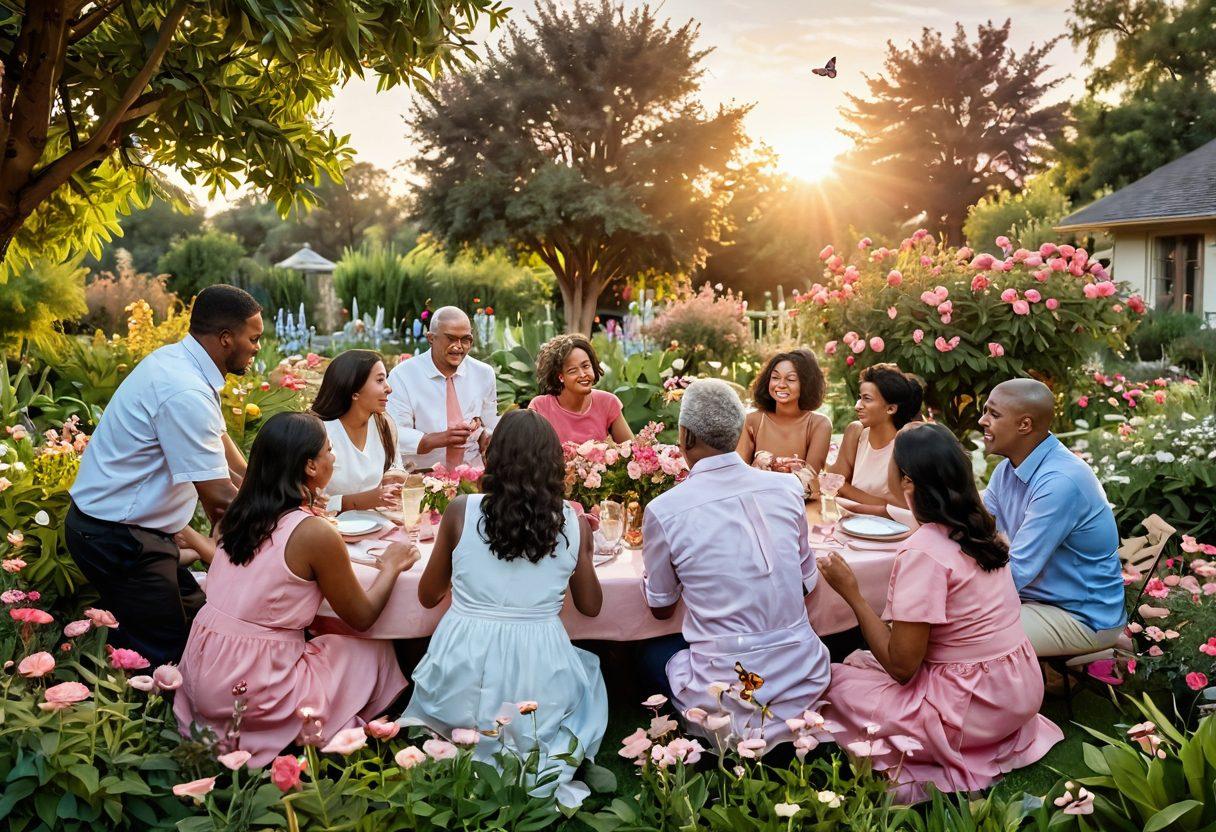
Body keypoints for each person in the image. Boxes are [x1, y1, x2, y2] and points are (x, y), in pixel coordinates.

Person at [817, 423, 1062, 801]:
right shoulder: (985, 529)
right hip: (1020, 692)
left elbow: (902, 668)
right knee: (862, 663)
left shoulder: (924, 552)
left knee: (831, 683)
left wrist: (853, 594)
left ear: (907, 481)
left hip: (970, 710)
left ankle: (929, 757)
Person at [175, 412, 417, 766]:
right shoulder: (313, 532)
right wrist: (392, 565)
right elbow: (362, 617)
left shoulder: (239, 512)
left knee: (324, 639)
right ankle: (356, 742)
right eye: (329, 451)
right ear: (309, 467)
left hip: (201, 670)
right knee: (373, 650)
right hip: (250, 686)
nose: (333, 458)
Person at [402, 409, 606, 808]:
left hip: (463, 657)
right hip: (538, 662)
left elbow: (427, 596)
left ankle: (456, 735)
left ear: (494, 458)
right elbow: (591, 606)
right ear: (553, 463)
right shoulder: (572, 521)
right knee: (589, 675)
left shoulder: (461, 510)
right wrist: (586, 550)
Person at [66, 285, 261, 665]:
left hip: (131, 530)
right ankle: (145, 719)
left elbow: (218, 438)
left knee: (196, 623)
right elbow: (219, 500)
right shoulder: (183, 388)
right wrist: (281, 528)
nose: (256, 347)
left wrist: (259, 482)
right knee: (164, 651)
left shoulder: (182, 363)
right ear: (225, 339)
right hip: (116, 536)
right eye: (253, 338)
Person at [641, 379, 831, 751]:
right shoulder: (788, 488)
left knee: (648, 653)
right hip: (802, 672)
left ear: (685, 437)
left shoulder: (665, 510)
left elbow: (661, 608)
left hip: (726, 681)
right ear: (741, 432)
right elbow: (808, 583)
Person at [979, 378, 1125, 656]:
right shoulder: (1006, 471)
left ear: (1024, 424)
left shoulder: (1059, 481)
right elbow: (975, 525)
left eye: (993, 414)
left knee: (962, 628)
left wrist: (953, 592)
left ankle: (983, 698)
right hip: (1035, 601)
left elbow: (1017, 571)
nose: (982, 420)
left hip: (1081, 616)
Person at [387, 307, 499, 471]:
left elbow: (491, 424)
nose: (458, 346)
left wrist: (485, 435)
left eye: (465, 340)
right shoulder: (403, 375)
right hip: (422, 479)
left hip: (474, 475)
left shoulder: (484, 373)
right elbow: (393, 433)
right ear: (431, 338)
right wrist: (437, 439)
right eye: (451, 339)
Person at [311, 350, 406, 513]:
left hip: (377, 524)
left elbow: (396, 471)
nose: (388, 388)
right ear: (354, 391)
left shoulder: (384, 425)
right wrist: (361, 501)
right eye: (380, 380)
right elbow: (308, 504)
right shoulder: (319, 433)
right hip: (328, 529)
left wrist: (398, 480)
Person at [828, 363, 924, 514]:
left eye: (867, 399)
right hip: (851, 522)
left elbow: (900, 508)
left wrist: (844, 488)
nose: (857, 406)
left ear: (891, 408)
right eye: (860, 398)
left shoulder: (905, 446)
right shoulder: (856, 433)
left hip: (894, 532)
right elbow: (833, 483)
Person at [737, 350, 832, 483]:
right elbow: (739, 471)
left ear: (806, 384)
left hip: (798, 501)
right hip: (756, 497)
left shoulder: (820, 424)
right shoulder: (752, 420)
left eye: (791, 379)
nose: (781, 385)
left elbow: (810, 478)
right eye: (775, 377)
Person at [528, 334, 633, 445]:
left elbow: (632, 451)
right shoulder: (539, 407)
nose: (583, 374)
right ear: (560, 377)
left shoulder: (608, 402)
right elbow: (528, 455)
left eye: (586, 366)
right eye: (573, 370)